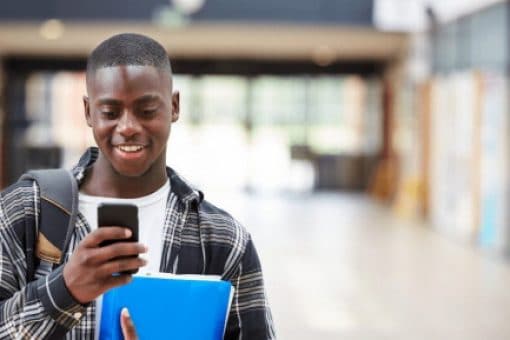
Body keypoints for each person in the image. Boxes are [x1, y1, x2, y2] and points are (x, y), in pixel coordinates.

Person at [0, 33, 275, 339]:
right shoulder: (25, 212)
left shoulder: (223, 239)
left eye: (146, 111)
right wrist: (65, 290)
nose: (128, 127)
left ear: (174, 106)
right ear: (89, 112)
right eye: (110, 112)